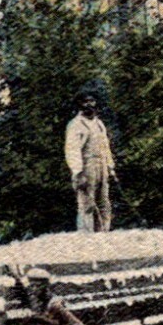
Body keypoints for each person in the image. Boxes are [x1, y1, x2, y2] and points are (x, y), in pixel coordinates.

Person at [65, 92, 116, 233]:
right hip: (86, 166)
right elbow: (72, 150)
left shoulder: (99, 123)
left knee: (104, 202)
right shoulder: (75, 125)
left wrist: (110, 167)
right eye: (85, 102)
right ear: (80, 105)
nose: (89, 105)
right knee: (87, 204)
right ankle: (86, 237)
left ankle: (104, 233)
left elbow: (105, 146)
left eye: (92, 101)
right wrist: (78, 172)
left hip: (102, 166)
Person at [22, 267, 86, 325]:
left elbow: (69, 323)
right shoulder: (35, 299)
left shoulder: (54, 304)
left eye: (37, 286)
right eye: (32, 286)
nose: (34, 289)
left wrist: (41, 319)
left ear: (45, 286)